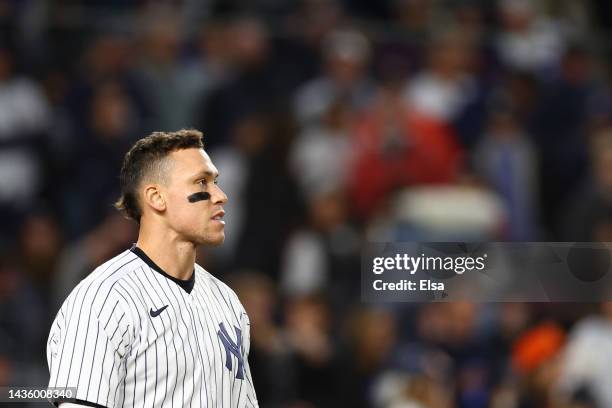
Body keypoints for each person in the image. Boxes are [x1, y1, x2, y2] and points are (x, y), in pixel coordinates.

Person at [46, 129, 258, 407]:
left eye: (215, 181)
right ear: (156, 198)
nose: (220, 195)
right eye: (201, 182)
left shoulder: (227, 301)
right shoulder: (103, 299)